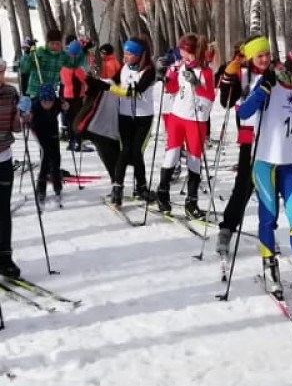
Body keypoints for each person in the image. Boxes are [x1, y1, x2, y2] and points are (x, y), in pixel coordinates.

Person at [237, 42, 292, 296]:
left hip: (289, 164)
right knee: (269, 216)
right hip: (265, 164)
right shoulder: (270, 83)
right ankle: (270, 266)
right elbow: (243, 113)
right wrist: (259, 94)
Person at [215, 35, 272, 258]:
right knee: (244, 185)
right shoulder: (242, 73)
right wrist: (228, 78)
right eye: (260, 55)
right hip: (249, 137)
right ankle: (227, 228)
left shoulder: (275, 73)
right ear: (250, 56)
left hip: (271, 138)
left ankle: (267, 233)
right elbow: (226, 103)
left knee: (269, 189)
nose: (265, 59)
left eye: (267, 53)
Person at [87, 36, 156, 207]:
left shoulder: (148, 70)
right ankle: (117, 187)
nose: (125, 57)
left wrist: (108, 87)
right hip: (124, 115)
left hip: (143, 117)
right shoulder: (125, 67)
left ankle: (141, 187)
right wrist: (96, 83)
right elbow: (113, 81)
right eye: (124, 53)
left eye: (129, 54)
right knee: (125, 150)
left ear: (139, 56)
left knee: (136, 151)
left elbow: (135, 92)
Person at [155, 34, 215, 218]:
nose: (180, 52)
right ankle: (162, 195)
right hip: (177, 117)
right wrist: (166, 78)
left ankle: (191, 202)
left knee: (194, 160)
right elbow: (173, 89)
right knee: (172, 155)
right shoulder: (180, 66)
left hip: (196, 121)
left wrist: (196, 84)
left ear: (191, 52)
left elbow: (211, 97)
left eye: (183, 50)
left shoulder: (205, 71)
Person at [0, 59, 22, 277]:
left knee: (3, 210)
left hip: (4, 157)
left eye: (2, 72)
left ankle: (5, 257)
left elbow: (16, 128)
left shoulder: (10, 93)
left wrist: (21, 115)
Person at [30, 84, 63, 208]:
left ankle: (57, 186)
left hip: (53, 133)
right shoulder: (35, 105)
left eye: (51, 102)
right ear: (41, 100)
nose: (48, 105)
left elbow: (64, 105)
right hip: (40, 134)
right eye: (45, 102)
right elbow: (28, 116)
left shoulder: (56, 103)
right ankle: (41, 188)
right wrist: (28, 120)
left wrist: (66, 107)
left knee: (56, 160)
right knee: (45, 161)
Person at [19, 29, 73, 98]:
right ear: (47, 42)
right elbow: (25, 69)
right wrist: (28, 53)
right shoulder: (40, 52)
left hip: (50, 92)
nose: (55, 46)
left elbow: (72, 65)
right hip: (36, 92)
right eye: (52, 43)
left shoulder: (63, 55)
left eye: (57, 44)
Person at [60, 39, 88, 151]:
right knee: (78, 119)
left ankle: (72, 141)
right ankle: (78, 142)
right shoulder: (75, 65)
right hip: (76, 96)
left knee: (70, 119)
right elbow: (83, 79)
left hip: (67, 94)